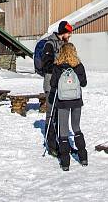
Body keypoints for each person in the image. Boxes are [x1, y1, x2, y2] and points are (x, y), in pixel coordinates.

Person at [48, 42, 88, 171]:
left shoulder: (58, 67)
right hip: (76, 101)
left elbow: (53, 84)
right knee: (76, 127)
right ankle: (83, 157)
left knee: (63, 130)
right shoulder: (79, 66)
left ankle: (65, 163)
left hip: (62, 101)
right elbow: (84, 83)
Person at [42, 20, 73, 156]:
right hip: (51, 85)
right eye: (68, 33)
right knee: (51, 115)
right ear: (63, 32)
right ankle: (52, 145)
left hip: (63, 86)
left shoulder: (65, 45)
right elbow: (46, 65)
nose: (70, 36)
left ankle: (64, 145)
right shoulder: (50, 44)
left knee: (62, 115)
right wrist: (59, 66)